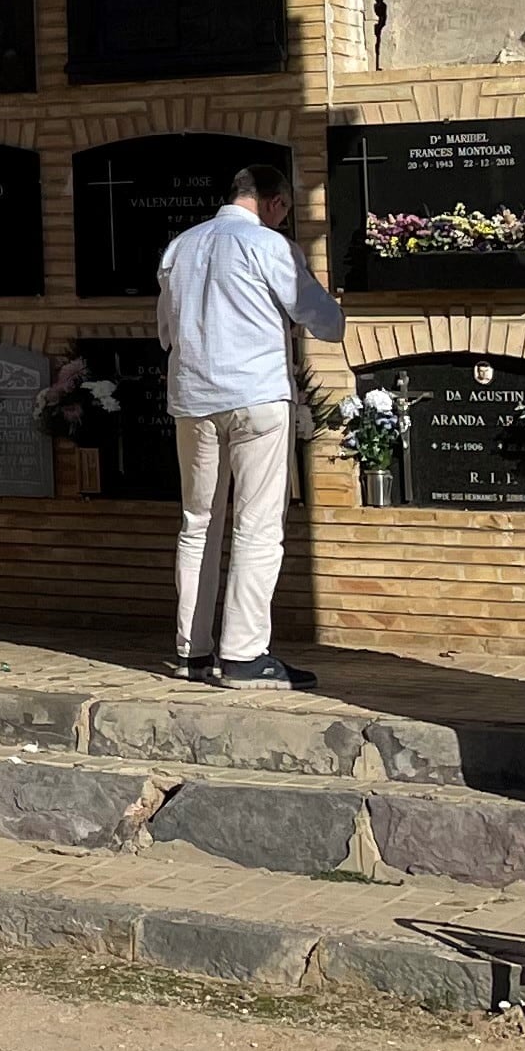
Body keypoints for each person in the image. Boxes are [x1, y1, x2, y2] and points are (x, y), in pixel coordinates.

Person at [152, 154, 345, 688]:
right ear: (275, 202)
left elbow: (166, 331)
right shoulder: (269, 244)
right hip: (256, 395)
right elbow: (321, 320)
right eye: (284, 210)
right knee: (257, 525)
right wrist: (336, 309)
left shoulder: (180, 246)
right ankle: (242, 655)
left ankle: (192, 650)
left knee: (198, 523)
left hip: (193, 397)